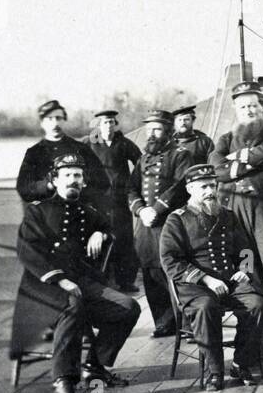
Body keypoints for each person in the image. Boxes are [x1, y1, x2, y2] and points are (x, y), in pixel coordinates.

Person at [13, 153, 140, 393]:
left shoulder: (88, 211)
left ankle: (94, 364)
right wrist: (59, 279)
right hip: (43, 287)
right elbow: (28, 251)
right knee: (73, 306)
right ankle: (64, 381)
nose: (73, 180)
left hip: (82, 282)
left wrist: (101, 232)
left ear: (83, 182)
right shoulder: (38, 212)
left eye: (78, 176)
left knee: (128, 307)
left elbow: (111, 228)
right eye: (67, 175)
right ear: (55, 181)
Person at [159, 164, 263, 391]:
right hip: (195, 286)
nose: (210, 191)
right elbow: (170, 260)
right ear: (190, 189)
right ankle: (214, 371)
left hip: (230, 281)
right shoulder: (177, 220)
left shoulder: (227, 215)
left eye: (213, 185)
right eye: (203, 187)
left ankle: (240, 363)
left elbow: (246, 250)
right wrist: (206, 280)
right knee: (207, 307)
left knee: (256, 304)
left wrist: (244, 270)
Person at [210, 81, 263, 348]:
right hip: (235, 217)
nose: (249, 110)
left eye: (253, 105)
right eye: (243, 106)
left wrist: (238, 158)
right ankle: (259, 336)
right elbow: (216, 168)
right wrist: (249, 163)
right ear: (236, 109)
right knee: (247, 268)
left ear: (262, 107)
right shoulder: (224, 139)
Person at [128, 110, 188, 337]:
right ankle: (164, 322)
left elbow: (181, 185)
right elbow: (131, 188)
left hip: (169, 223)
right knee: (151, 272)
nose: (151, 134)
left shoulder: (180, 155)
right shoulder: (143, 159)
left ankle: (187, 321)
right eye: (149, 129)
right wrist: (141, 209)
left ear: (169, 131)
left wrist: (158, 208)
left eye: (157, 129)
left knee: (173, 270)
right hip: (145, 225)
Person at [17, 100, 110, 212]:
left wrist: (77, 190)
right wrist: (48, 185)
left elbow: (102, 183)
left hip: (77, 214)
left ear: (64, 120)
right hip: (46, 215)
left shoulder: (81, 149)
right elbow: (24, 188)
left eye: (58, 118)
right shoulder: (34, 152)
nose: (55, 123)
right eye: (50, 119)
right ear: (42, 123)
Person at [84, 109, 141, 292]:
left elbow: (141, 163)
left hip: (120, 200)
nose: (108, 126)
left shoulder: (123, 143)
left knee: (124, 239)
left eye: (111, 122)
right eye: (104, 123)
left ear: (115, 125)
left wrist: (132, 184)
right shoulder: (89, 144)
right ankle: (102, 278)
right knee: (100, 235)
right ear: (98, 126)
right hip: (98, 201)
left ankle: (126, 280)